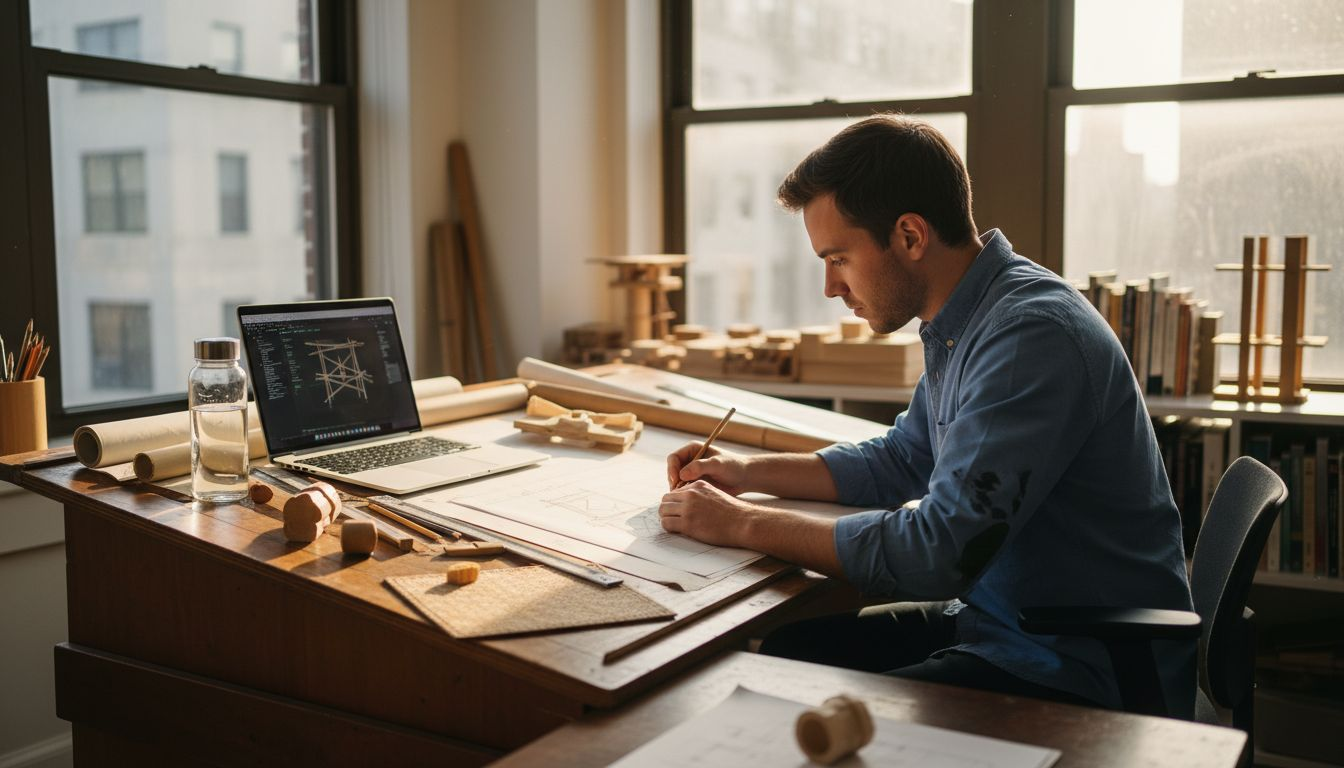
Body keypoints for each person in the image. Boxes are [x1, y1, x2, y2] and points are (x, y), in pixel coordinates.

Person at [658, 115, 1195, 715]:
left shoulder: (1028, 337)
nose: (830, 286)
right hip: (1003, 618)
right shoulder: (967, 320)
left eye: (838, 258)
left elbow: (938, 552)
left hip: (1075, 661)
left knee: (800, 705)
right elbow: (902, 457)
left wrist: (742, 524)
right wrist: (746, 474)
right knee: (789, 654)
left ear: (910, 236)